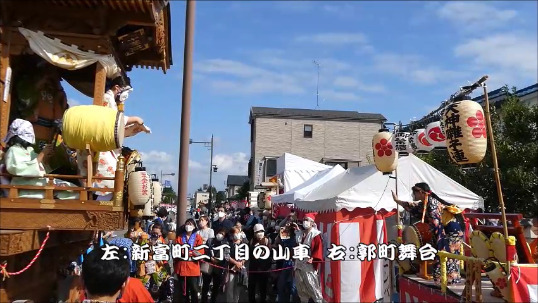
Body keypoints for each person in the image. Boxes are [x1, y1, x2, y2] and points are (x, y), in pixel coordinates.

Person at [76, 76, 147, 200]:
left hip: (104, 145)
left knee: (115, 173)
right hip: (99, 145)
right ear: (117, 88)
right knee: (112, 173)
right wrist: (134, 119)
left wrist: (134, 129)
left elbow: (116, 127)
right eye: (126, 92)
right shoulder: (106, 98)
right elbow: (113, 122)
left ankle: (101, 201)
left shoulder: (111, 101)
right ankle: (99, 202)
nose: (126, 96)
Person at [392, 182, 456, 284]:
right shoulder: (425, 203)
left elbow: (436, 224)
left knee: (446, 257)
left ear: (421, 192)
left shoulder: (432, 204)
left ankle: (448, 282)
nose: (414, 195)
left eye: (415, 192)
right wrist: (397, 201)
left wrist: (431, 239)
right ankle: (443, 281)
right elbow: (412, 207)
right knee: (440, 256)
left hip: (451, 230)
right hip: (441, 230)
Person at [3, 119, 79, 199]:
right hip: (26, 187)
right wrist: (42, 154)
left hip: (37, 183)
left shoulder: (29, 150)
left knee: (73, 188)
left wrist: (46, 156)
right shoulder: (13, 150)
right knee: (71, 192)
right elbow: (19, 169)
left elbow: (40, 168)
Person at [293, 213, 324, 303]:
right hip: (298, 264)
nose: (305, 222)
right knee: (301, 288)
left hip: (308, 266)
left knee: (313, 287)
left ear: (312, 222)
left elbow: (318, 248)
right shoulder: (300, 233)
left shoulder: (315, 234)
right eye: (304, 220)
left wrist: (313, 258)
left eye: (307, 220)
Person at [174, 218, 204, 303]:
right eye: (187, 224)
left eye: (191, 224)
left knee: (194, 289)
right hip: (182, 266)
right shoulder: (180, 237)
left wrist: (189, 252)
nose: (188, 226)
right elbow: (176, 250)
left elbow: (200, 252)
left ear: (194, 226)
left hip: (193, 267)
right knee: (184, 290)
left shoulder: (198, 237)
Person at [202, 228, 228, 303]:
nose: (220, 235)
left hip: (218, 267)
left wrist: (218, 260)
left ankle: (213, 300)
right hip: (209, 265)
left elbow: (226, 255)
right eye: (220, 233)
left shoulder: (225, 243)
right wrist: (210, 258)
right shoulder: (210, 240)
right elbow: (206, 250)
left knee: (216, 286)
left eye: (223, 234)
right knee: (205, 285)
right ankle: (204, 300)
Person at [248, 224, 272, 303]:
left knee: (263, 287)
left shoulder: (267, 240)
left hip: (264, 269)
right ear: (254, 233)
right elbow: (249, 255)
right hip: (253, 268)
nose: (260, 233)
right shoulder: (251, 241)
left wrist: (267, 267)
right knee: (251, 287)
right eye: (258, 231)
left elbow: (270, 255)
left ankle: (263, 300)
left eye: (261, 231)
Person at [274, 224, 298, 303]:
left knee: (293, 287)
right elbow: (277, 241)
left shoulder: (297, 237)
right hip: (286, 263)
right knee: (281, 285)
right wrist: (284, 229)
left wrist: (297, 229)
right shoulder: (286, 236)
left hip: (295, 264)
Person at [224, 227, 246, 303]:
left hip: (240, 269)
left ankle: (236, 301)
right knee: (230, 287)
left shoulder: (243, 244)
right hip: (231, 268)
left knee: (238, 287)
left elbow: (245, 256)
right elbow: (227, 256)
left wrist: (241, 263)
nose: (237, 234)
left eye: (238, 232)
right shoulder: (228, 244)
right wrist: (235, 263)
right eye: (235, 233)